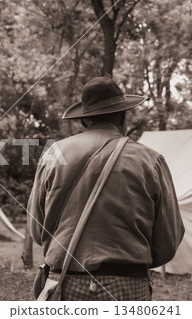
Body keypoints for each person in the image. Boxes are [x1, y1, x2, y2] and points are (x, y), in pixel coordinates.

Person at [27, 76, 184, 301]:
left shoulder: (54, 154)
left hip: (65, 283)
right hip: (128, 286)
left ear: (84, 120)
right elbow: (168, 239)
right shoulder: (150, 160)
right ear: (123, 116)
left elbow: (36, 228)